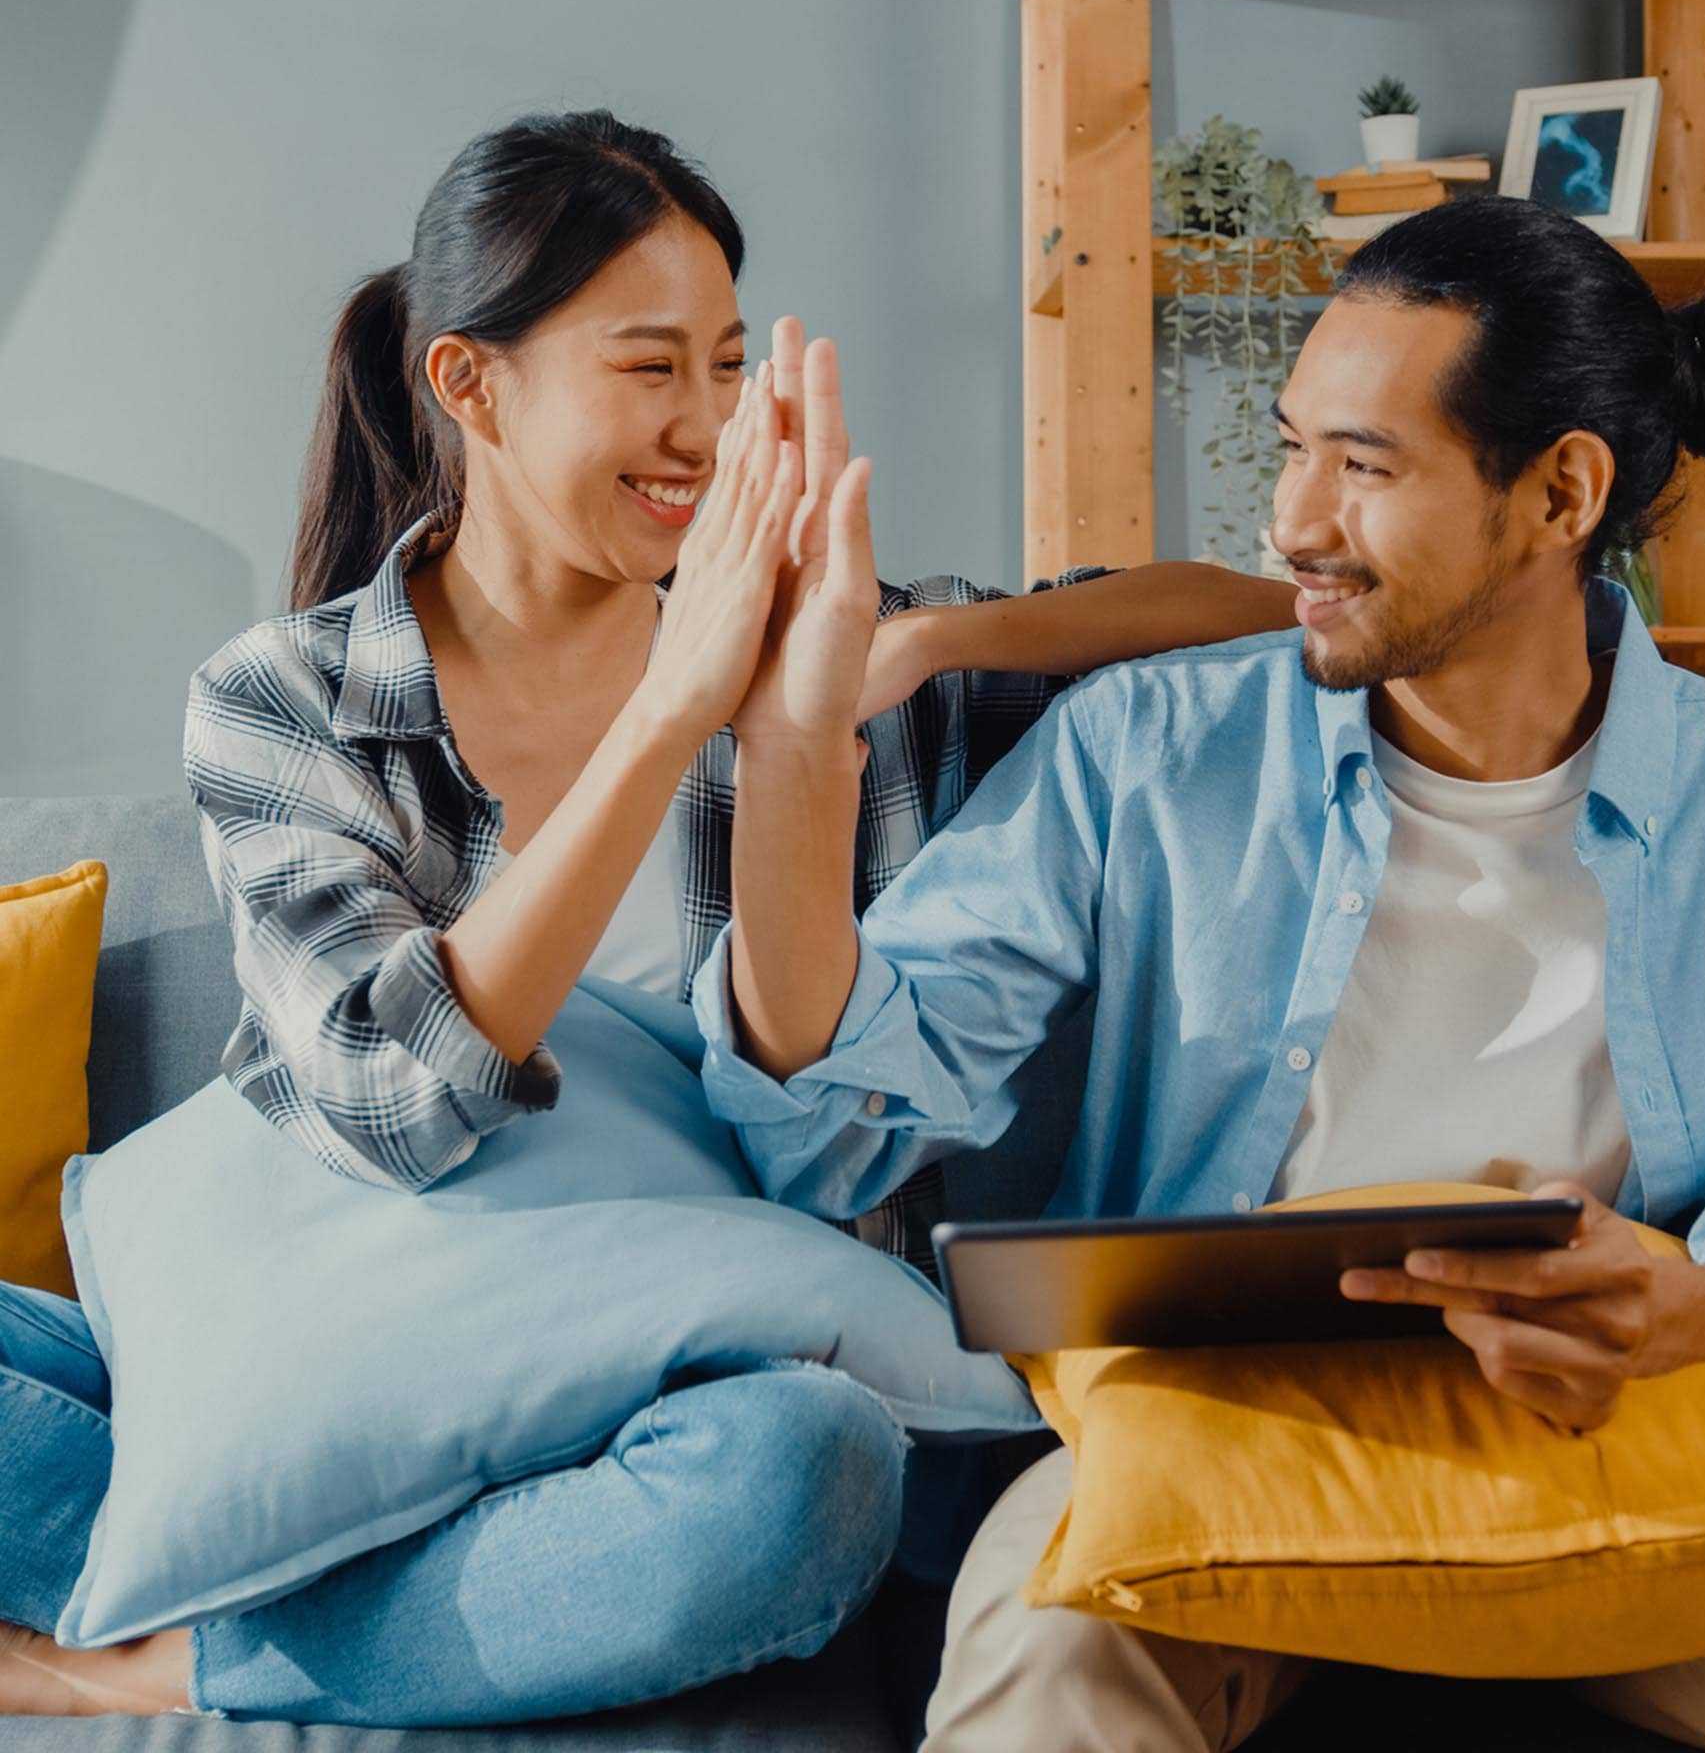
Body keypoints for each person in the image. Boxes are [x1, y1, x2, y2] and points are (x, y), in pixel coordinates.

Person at [0, 109, 1297, 1726]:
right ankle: (368, 1589)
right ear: (469, 384)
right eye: (648, 369)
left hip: (688, 1408)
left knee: (808, 1475)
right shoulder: (289, 699)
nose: (705, 427)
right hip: (363, 1358)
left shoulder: (823, 665)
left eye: (729, 366)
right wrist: (670, 719)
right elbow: (393, 1103)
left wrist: (926, 653)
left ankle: (171, 1650)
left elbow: (1275, 620)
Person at [697, 194, 1705, 1753]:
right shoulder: (1147, 751)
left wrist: (1679, 1314)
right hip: (1222, 1458)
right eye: (1292, 445)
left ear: (1560, 492)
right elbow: (835, 1127)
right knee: (1047, 1659)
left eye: (1363, 466)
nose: (1291, 523)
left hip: (1645, 1462)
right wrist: (790, 757)